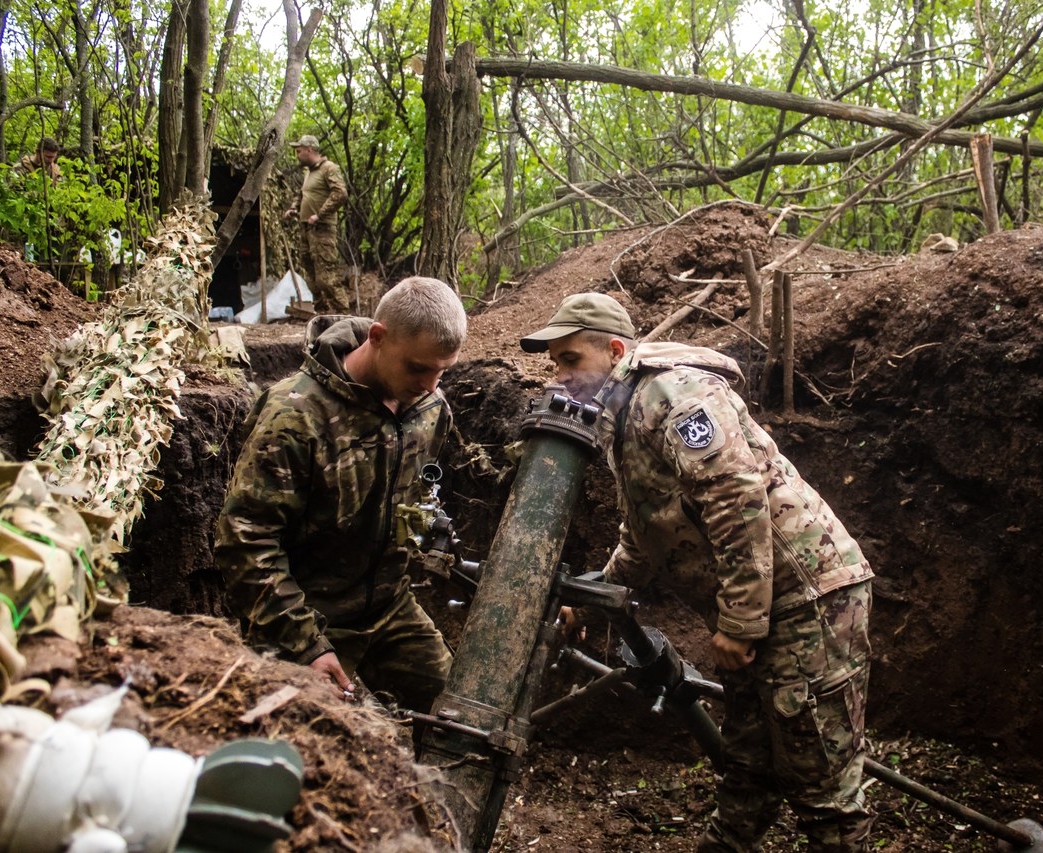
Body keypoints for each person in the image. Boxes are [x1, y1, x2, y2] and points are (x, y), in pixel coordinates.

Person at [521, 292, 875, 852]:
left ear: (614, 351)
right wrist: (589, 595)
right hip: (769, 603)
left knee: (821, 783)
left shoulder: (671, 393)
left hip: (809, 598)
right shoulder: (624, 415)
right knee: (747, 764)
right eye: (554, 363)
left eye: (570, 360)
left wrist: (739, 624)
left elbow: (737, 501)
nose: (559, 376)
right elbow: (644, 539)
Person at [216, 276, 467, 712]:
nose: (430, 384)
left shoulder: (429, 409)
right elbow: (245, 542)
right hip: (302, 614)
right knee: (318, 747)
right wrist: (307, 645)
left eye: (442, 370)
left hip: (390, 609)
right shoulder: (294, 417)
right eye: (417, 368)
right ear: (378, 337)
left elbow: (421, 493)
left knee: (461, 712)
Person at [284, 134, 350, 314]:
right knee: (311, 276)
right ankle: (321, 314)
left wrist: (319, 215)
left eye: (299, 151)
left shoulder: (328, 168)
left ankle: (345, 315)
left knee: (326, 277)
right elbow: (302, 194)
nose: (297, 155)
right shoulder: (309, 173)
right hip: (306, 229)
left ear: (310, 150)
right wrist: (293, 208)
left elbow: (340, 193)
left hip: (322, 229)